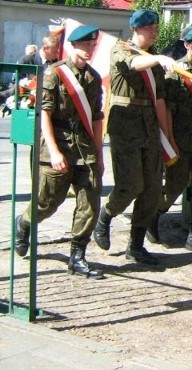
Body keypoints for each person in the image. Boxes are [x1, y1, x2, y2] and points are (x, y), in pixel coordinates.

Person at [14, 25, 105, 279]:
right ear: (74, 46)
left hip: (84, 148)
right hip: (59, 143)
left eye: (92, 45)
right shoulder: (55, 74)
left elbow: (97, 119)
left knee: (90, 201)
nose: (89, 49)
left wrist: (99, 154)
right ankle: (25, 223)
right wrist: (54, 151)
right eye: (85, 45)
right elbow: (45, 114)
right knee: (48, 201)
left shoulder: (94, 78)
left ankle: (77, 256)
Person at [92, 9, 177, 265]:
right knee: (130, 186)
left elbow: (160, 101)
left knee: (151, 189)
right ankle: (105, 215)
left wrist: (169, 137)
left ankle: (136, 245)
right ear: (137, 28)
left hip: (150, 128)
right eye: (150, 27)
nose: (155, 31)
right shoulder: (121, 49)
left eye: (156, 28)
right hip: (125, 127)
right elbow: (132, 64)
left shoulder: (153, 60)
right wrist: (159, 59)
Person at [145, 28, 192, 254]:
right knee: (174, 187)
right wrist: (169, 140)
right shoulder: (174, 72)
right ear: (186, 45)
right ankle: (152, 217)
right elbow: (166, 109)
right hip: (179, 138)